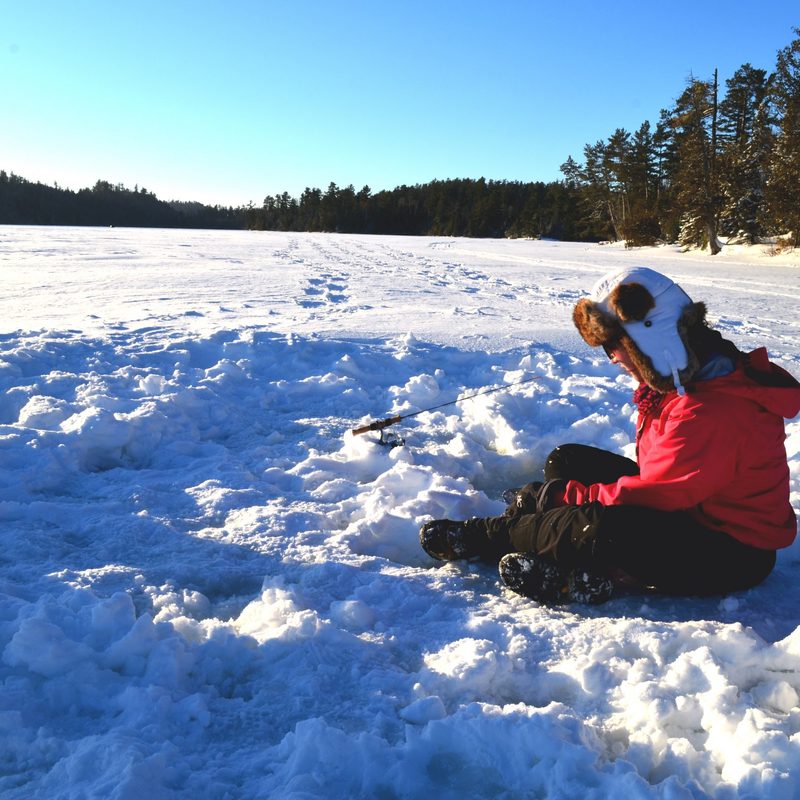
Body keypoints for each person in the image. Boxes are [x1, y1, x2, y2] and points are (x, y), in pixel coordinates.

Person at [419, 267, 800, 605]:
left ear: (654, 340)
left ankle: (492, 537)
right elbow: (661, 483)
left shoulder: (710, 408)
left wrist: (560, 498)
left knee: (599, 524)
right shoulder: (684, 381)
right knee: (567, 461)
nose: (613, 359)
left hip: (730, 551)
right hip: (691, 509)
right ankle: (592, 563)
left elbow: (658, 494)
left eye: (614, 347)